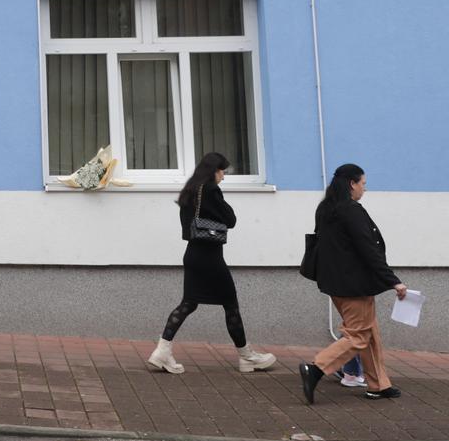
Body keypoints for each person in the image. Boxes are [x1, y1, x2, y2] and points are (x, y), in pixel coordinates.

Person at [147, 152, 277, 375]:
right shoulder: (210, 190)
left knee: (188, 303)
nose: (224, 176)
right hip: (211, 257)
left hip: (192, 255)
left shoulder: (190, 190)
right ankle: (247, 357)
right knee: (231, 305)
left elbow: (187, 227)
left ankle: (162, 350)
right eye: (223, 171)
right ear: (214, 170)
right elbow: (231, 220)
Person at [299, 163, 407, 403]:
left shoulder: (326, 208)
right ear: (352, 183)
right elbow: (367, 248)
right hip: (354, 285)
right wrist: (393, 281)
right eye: (363, 184)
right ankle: (315, 369)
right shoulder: (350, 210)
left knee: (370, 332)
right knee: (358, 336)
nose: (364, 189)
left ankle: (378, 385)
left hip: (336, 283)